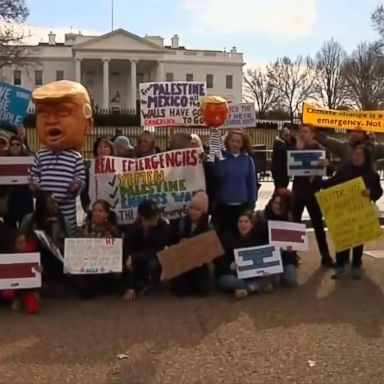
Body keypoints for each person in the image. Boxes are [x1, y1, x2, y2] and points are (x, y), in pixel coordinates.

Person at [29, 80, 91, 234]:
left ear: (87, 125)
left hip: (66, 208)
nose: (51, 121)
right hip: (44, 209)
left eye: (63, 112)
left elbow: (81, 177)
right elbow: (34, 174)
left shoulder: (75, 157)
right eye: (44, 113)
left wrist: (77, 184)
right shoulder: (40, 155)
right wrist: (36, 185)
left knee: (67, 236)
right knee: (44, 238)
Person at [322, 145, 383, 279]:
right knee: (343, 238)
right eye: (355, 154)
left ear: (366, 158)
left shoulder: (372, 175)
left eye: (360, 155)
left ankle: (356, 264)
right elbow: (332, 183)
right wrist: (319, 185)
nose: (356, 157)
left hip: (360, 212)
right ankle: (340, 264)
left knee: (357, 240)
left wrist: (371, 192)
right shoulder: (345, 170)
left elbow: (379, 192)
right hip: (344, 212)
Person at [291, 124, 334, 268]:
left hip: (314, 192)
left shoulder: (322, 150)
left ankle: (325, 255)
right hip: (298, 191)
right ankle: (291, 255)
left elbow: (329, 172)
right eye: (301, 131)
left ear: (313, 134)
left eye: (306, 131)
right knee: (294, 224)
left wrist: (327, 165)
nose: (302, 134)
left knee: (318, 225)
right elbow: (287, 168)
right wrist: (297, 149)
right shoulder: (294, 147)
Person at [215, 211, 273, 299]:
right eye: (240, 221)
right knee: (228, 281)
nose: (243, 224)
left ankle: (245, 290)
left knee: (272, 276)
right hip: (232, 275)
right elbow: (219, 261)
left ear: (252, 224)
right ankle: (254, 287)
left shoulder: (258, 241)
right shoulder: (228, 239)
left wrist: (265, 269)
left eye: (246, 221)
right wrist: (230, 265)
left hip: (251, 275)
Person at [122, 200, 169, 303]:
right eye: (153, 216)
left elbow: (158, 250)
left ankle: (153, 282)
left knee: (154, 264)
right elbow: (126, 256)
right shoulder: (132, 231)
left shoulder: (162, 226)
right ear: (143, 217)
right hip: (138, 264)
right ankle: (139, 282)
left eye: (157, 215)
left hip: (151, 259)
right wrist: (129, 287)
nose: (156, 218)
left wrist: (135, 257)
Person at [73, 200, 121, 299]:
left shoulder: (112, 231)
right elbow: (75, 248)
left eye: (100, 211)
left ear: (106, 214)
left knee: (107, 288)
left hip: (105, 269)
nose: (96, 213)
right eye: (94, 210)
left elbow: (117, 254)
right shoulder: (84, 229)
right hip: (87, 268)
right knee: (84, 293)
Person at [212, 130, 257, 236]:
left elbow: (252, 183)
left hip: (242, 206)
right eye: (233, 141)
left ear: (242, 144)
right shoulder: (221, 158)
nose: (235, 144)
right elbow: (218, 177)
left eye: (238, 142)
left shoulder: (248, 160)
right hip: (223, 206)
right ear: (228, 142)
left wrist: (252, 204)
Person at [20, 191, 69, 288]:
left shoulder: (63, 221)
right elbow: (20, 241)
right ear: (42, 205)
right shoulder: (30, 220)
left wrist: (59, 246)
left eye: (56, 202)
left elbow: (71, 244)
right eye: (51, 202)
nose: (56, 205)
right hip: (36, 259)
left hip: (57, 260)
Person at [169, 191, 211, 297]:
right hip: (182, 263)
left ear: (203, 212)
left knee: (203, 290)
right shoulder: (181, 223)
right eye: (191, 208)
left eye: (197, 210)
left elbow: (211, 249)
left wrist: (203, 259)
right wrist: (180, 243)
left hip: (199, 264)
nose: (193, 212)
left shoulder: (209, 227)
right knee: (182, 291)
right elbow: (171, 244)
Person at [254, 189, 299, 286]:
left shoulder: (290, 219)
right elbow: (256, 242)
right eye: (275, 203)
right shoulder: (263, 219)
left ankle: (283, 269)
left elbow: (294, 245)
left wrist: (290, 249)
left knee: (290, 280)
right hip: (267, 256)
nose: (277, 207)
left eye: (281, 204)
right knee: (275, 281)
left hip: (284, 257)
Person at [0, 230, 42, 314]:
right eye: (20, 243)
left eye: (25, 242)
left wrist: (40, 270)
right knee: (7, 292)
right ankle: (15, 298)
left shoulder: (31, 255)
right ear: (13, 245)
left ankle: (24, 297)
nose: (24, 245)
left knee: (32, 306)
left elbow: (37, 274)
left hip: (27, 288)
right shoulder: (5, 256)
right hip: (10, 288)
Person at [3, 135, 34, 229]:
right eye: (12, 144)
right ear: (9, 146)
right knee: (9, 229)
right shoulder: (3, 160)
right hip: (9, 202)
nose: (15, 146)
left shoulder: (28, 159)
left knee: (26, 229)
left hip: (25, 199)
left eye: (17, 144)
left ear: (21, 146)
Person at [314, 129, 384, 168]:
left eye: (359, 131)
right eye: (353, 131)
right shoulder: (345, 148)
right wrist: (314, 133)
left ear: (365, 133)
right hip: (348, 189)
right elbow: (328, 142)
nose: (355, 134)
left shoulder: (373, 149)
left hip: (367, 190)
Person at [80, 136, 114, 214]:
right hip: (95, 211)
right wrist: (87, 207)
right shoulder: (89, 169)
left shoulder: (118, 167)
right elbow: (84, 191)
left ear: (111, 150)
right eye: (100, 147)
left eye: (106, 146)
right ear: (96, 150)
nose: (102, 149)